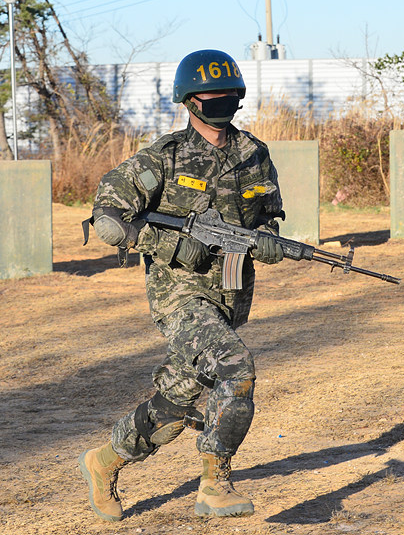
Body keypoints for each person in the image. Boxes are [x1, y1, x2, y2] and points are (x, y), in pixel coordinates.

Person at [78, 49, 285, 521]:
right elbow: (107, 216)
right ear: (189, 101)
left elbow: (269, 217)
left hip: (229, 296)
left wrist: (269, 242)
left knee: (174, 404)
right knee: (236, 367)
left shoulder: (255, 154)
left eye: (230, 94)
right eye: (212, 95)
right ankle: (215, 483)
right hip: (180, 295)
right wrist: (166, 245)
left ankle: (104, 460)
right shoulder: (164, 158)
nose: (222, 101)